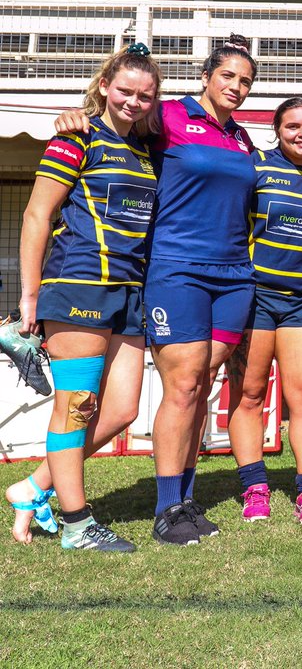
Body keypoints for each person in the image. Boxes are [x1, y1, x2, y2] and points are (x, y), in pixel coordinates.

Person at [51, 34, 260, 545]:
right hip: (176, 270)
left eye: (246, 81)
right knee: (183, 385)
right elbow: (116, 119)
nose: (236, 87)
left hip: (233, 276)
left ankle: (185, 498)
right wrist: (74, 117)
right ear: (207, 76)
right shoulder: (167, 117)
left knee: (202, 384)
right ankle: (168, 509)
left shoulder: (243, 140)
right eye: (228, 76)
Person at [5, 44, 160, 551]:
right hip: (77, 284)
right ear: (104, 88)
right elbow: (35, 216)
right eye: (125, 91)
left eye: (145, 95)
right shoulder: (75, 138)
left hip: (128, 291)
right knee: (76, 406)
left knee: (119, 410)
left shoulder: (144, 151)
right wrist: (29, 298)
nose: (134, 102)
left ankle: (33, 487)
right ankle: (77, 524)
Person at [225, 99, 302, 525]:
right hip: (253, 297)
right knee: (250, 395)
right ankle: (255, 488)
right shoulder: (255, 167)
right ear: (277, 129)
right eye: (293, 126)